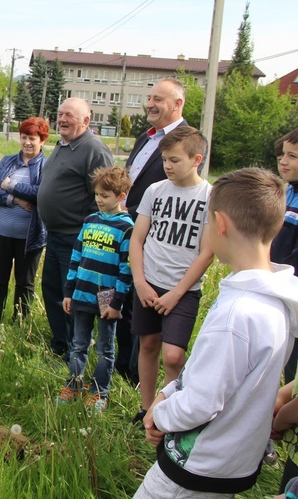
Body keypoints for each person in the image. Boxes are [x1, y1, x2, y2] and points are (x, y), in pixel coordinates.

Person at [136, 167, 298, 498]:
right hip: (231, 464)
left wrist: (159, 414)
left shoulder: (236, 314)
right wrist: (167, 393)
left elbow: (200, 403)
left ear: (219, 224)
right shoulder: (277, 298)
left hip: (192, 472)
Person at [129, 126, 214, 426]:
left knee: (174, 356)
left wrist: (177, 293)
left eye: (174, 160)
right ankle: (146, 408)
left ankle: (168, 412)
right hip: (148, 285)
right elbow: (137, 240)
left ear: (196, 159)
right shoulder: (155, 191)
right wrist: (140, 282)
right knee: (148, 344)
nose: (167, 166)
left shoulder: (210, 197)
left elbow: (207, 253)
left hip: (183, 291)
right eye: (165, 159)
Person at [116, 77, 188, 386]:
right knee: (123, 297)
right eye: (149, 98)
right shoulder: (145, 138)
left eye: (158, 99)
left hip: (156, 240)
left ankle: (135, 375)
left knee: (141, 305)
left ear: (177, 104)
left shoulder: (188, 141)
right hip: (127, 229)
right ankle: (122, 365)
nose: (150, 104)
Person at [36, 97, 114, 359]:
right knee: (52, 290)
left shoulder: (94, 150)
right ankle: (59, 343)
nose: (62, 119)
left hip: (76, 238)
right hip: (55, 235)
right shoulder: (62, 145)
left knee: (74, 297)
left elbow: (104, 197)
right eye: (60, 114)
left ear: (86, 121)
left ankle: (74, 349)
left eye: (69, 115)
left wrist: (89, 237)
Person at [57, 167, 134, 411]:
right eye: (97, 195)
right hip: (82, 291)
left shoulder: (127, 228)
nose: (99, 200)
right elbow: (75, 257)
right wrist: (69, 292)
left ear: (121, 196)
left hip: (106, 297)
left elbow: (126, 269)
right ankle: (74, 384)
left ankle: (100, 392)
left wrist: (116, 303)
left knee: (105, 348)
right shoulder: (90, 221)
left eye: (106, 195)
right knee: (78, 344)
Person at [0, 117, 48, 324]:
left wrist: (11, 185)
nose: (27, 142)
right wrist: (15, 199)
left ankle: (20, 323)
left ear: (42, 141)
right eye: (24, 137)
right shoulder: (8, 161)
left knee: (25, 283)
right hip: (0, 233)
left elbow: (41, 194)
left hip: (30, 237)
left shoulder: (46, 166)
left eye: (32, 138)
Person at [272, 129, 298, 383]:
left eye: (293, 156)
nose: (283, 161)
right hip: (278, 288)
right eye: (283, 154)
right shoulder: (286, 192)